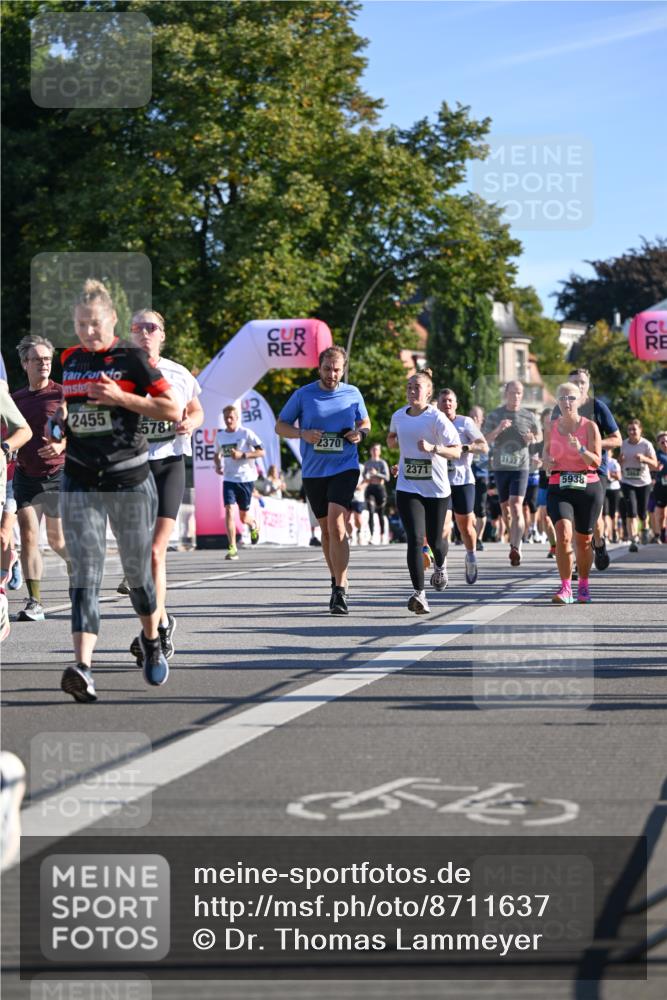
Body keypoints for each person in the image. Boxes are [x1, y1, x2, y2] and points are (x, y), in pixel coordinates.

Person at [49, 279, 180, 702]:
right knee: (85, 572)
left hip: (128, 479)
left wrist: (123, 399)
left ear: (113, 321)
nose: (88, 332)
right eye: (81, 324)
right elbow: (72, 407)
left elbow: (171, 408)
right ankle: (82, 667)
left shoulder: (132, 357)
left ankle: (151, 639)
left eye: (95, 324)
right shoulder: (68, 359)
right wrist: (60, 425)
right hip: (80, 478)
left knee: (139, 575)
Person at [125, 310, 204, 660]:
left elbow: (197, 410)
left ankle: (155, 633)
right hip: (131, 469)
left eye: (151, 327)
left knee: (156, 552)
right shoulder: (121, 374)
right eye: (138, 328)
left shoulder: (177, 373)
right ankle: (162, 620)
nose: (144, 332)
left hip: (169, 465)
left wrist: (191, 424)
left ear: (162, 335)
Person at [276, 345, 370, 615]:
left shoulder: (353, 393)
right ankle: (336, 579)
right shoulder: (304, 395)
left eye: (337, 369)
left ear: (343, 369)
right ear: (319, 368)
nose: (332, 374)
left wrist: (359, 435)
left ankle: (340, 591)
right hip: (315, 471)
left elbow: (365, 423)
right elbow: (280, 425)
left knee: (337, 524)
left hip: (345, 466)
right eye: (327, 369)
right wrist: (302, 434)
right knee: (326, 531)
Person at [388, 370, 461, 614]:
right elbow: (393, 437)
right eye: (408, 386)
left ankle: (440, 565)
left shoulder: (437, 418)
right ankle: (419, 594)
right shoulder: (399, 415)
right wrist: (398, 455)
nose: (411, 390)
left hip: (436, 490)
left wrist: (433, 448)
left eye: (416, 387)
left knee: (437, 541)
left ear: (428, 392)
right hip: (408, 486)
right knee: (416, 540)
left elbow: (457, 451)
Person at [12, 336, 69, 621]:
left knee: (58, 541)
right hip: (26, 475)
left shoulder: (62, 394)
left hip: (57, 475)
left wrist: (61, 445)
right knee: (28, 536)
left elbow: (76, 431)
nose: (44, 363)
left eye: (47, 359)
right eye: (37, 359)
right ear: (25, 364)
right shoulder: (16, 399)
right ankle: (35, 601)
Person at [552, 368, 622, 571]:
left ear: (588, 385)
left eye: (582, 382)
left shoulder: (598, 407)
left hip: (594, 469)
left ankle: (598, 544)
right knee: (569, 519)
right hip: (566, 470)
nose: (579, 385)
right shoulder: (560, 409)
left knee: (595, 520)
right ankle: (573, 564)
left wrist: (594, 445)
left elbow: (617, 438)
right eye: (575, 382)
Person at [543, 381, 603, 604]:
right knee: (563, 535)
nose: (567, 402)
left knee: (584, 541)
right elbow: (546, 457)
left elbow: (596, 461)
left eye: (571, 398)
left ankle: (584, 585)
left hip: (587, 485)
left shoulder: (589, 427)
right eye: (562, 398)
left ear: (579, 401)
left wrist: (580, 448)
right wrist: (545, 461)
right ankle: (566, 587)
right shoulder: (550, 427)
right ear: (557, 402)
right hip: (559, 485)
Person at [483, 380, 539, 567]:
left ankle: (517, 547)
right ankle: (512, 539)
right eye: (512, 392)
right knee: (506, 508)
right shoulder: (495, 415)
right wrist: (499, 428)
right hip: (500, 467)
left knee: (516, 506)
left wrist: (532, 438)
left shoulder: (528, 416)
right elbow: (484, 440)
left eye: (519, 393)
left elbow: (539, 437)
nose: (516, 396)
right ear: (506, 393)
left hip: (521, 467)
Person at [437, 388, 488, 584]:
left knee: (466, 527)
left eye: (450, 401)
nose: (447, 404)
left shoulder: (465, 422)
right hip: (440, 483)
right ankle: (441, 567)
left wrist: (465, 448)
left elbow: (484, 446)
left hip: (463, 480)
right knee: (442, 528)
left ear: (456, 404)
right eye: (443, 401)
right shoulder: (433, 422)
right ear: (438, 404)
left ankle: (471, 556)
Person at [0, 385, 33, 642]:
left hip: (8, 481)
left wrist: (3, 448)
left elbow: (25, 431)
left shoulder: (3, 395)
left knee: (3, 533)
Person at [214, 405, 264, 559]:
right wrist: (218, 465)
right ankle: (232, 547)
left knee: (243, 517)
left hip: (246, 479)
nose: (228, 420)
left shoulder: (245, 433)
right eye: (226, 418)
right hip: (229, 478)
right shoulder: (220, 436)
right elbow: (217, 454)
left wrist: (243, 455)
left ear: (237, 418)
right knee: (229, 509)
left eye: (231, 417)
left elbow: (261, 452)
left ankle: (253, 525)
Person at [619, 419, 658, 551]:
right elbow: (618, 462)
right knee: (631, 511)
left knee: (642, 512)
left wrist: (644, 459)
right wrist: (621, 460)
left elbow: (655, 464)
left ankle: (645, 528)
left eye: (634, 429)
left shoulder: (646, 445)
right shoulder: (623, 444)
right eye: (629, 429)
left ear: (640, 430)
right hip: (627, 482)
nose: (631, 432)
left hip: (644, 483)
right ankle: (633, 539)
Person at [469, 405, 488, 551]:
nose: (475, 419)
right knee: (468, 508)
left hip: (482, 475)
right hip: (467, 475)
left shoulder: (486, 435)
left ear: (482, 419)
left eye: (478, 416)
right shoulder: (464, 432)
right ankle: (467, 535)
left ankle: (479, 538)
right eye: (472, 416)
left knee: (480, 508)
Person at [363, 443, 390, 544]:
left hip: (380, 489)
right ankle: (371, 535)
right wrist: (367, 476)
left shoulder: (382, 463)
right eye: (373, 449)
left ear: (379, 452)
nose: (375, 451)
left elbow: (387, 478)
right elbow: (364, 477)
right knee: (370, 511)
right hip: (370, 488)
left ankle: (382, 535)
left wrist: (376, 473)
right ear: (370, 451)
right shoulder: (367, 463)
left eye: (376, 450)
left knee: (380, 513)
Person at [651, 431, 667, 543]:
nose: (665, 443)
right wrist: (655, 470)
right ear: (658, 443)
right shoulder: (656, 455)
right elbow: (649, 469)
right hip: (660, 487)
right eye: (662, 441)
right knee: (660, 513)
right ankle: (660, 532)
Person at [604, 449, 622, 543]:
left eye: (608, 452)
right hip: (604, 490)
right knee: (605, 513)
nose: (606, 454)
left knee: (614, 512)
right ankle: (606, 534)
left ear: (611, 453)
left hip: (614, 489)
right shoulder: (600, 461)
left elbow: (619, 477)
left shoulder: (614, 462)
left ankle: (615, 532)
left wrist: (610, 474)